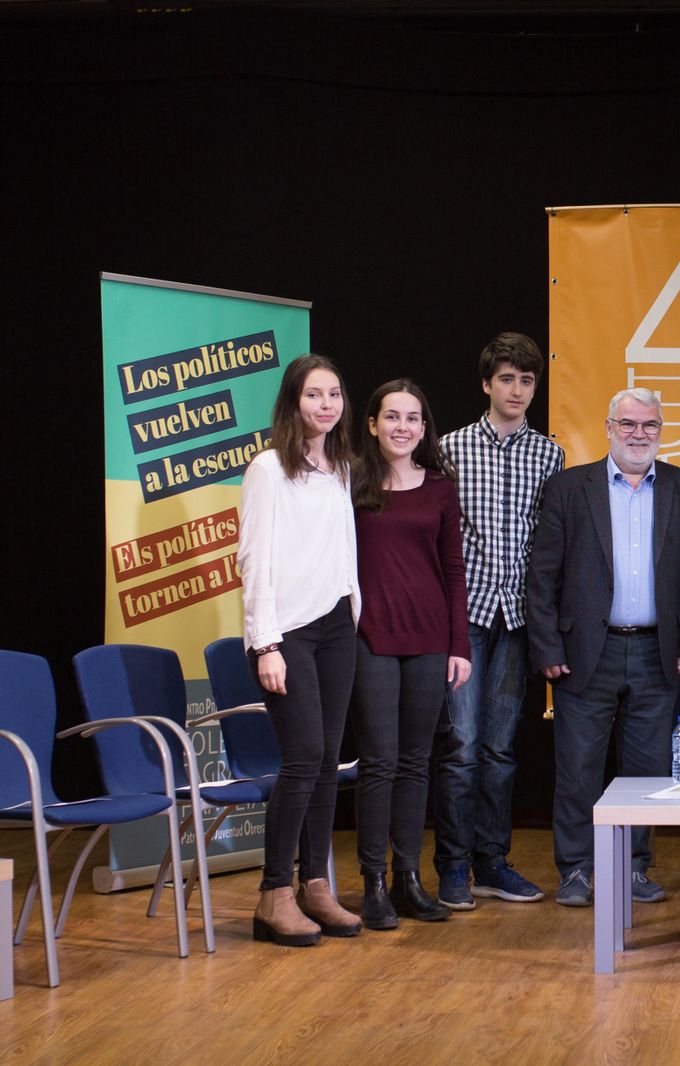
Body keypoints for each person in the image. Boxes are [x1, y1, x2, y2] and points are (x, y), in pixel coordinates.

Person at [527, 387, 680, 908]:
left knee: (646, 772)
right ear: (608, 428)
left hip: (657, 651)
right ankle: (577, 871)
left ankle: (633, 868)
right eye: (628, 424)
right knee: (578, 767)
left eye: (649, 426)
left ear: (662, 432)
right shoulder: (568, 488)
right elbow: (542, 578)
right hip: (585, 652)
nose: (638, 435)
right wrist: (546, 647)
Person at [434, 332, 564, 908]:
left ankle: (492, 861)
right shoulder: (448, 449)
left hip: (516, 622)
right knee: (460, 746)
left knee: (501, 750)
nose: (517, 389)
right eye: (506, 378)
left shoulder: (549, 454)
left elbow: (548, 547)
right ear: (487, 384)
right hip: (463, 619)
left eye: (527, 380)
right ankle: (453, 866)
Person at [238, 353, 362, 947]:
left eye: (334, 395)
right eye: (315, 395)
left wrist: (353, 609)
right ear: (293, 403)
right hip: (287, 632)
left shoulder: (340, 468)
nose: (327, 405)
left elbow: (340, 549)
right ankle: (273, 894)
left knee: (329, 761)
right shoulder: (269, 468)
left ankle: (316, 886)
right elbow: (254, 558)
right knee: (304, 756)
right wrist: (265, 642)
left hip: (338, 625)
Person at [348, 380, 471, 930]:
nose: (403, 426)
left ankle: (409, 880)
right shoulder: (349, 482)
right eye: (392, 416)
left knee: (417, 762)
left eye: (413, 418)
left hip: (429, 640)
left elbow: (453, 571)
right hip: (370, 638)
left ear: (425, 428)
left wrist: (459, 645)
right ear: (372, 423)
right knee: (379, 762)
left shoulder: (442, 489)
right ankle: (372, 882)